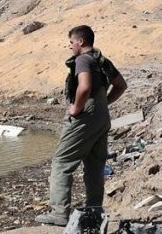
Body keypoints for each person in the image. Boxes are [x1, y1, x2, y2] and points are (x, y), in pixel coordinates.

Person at [36, 25, 127, 226]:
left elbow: (84, 86)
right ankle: (94, 211)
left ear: (80, 42)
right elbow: (121, 85)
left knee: (62, 161)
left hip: (85, 115)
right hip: (102, 117)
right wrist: (104, 103)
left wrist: (77, 108)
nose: (69, 46)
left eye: (71, 42)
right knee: (95, 165)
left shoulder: (83, 60)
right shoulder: (102, 60)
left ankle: (59, 213)